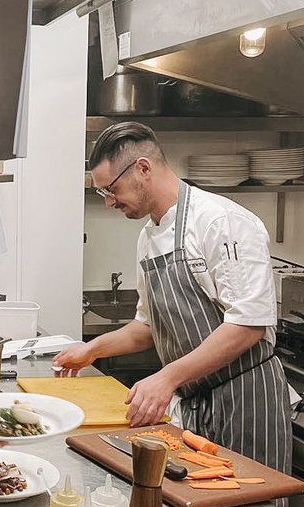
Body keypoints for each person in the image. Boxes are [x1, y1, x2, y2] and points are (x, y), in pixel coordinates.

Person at [54, 121, 291, 471]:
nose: (109, 203)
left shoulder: (220, 221)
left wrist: (166, 378)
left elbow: (248, 324)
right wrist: (92, 350)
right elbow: (148, 326)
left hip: (246, 396)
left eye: (110, 190)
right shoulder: (149, 238)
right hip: (194, 401)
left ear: (143, 169)